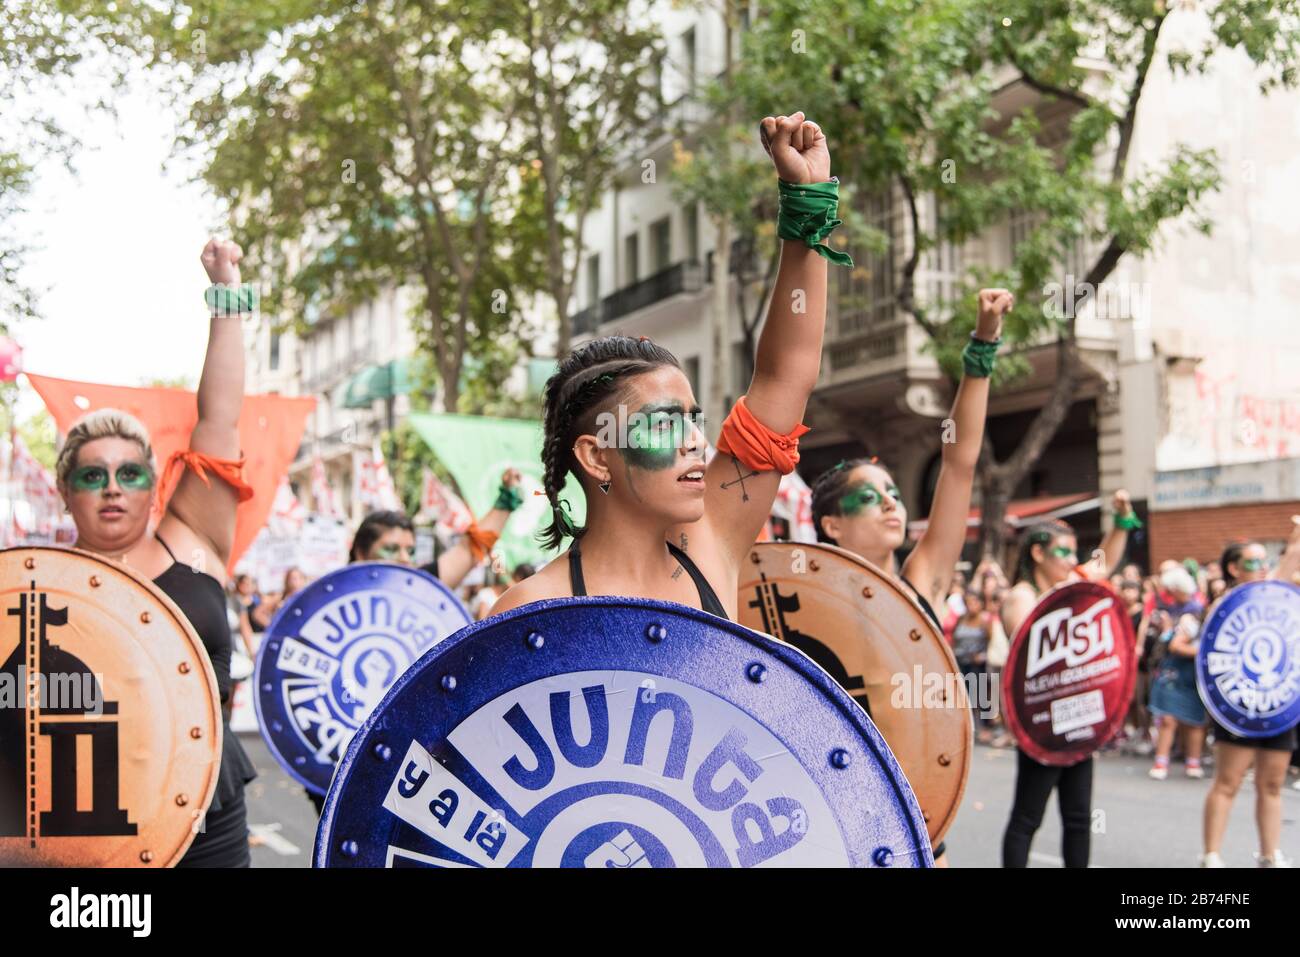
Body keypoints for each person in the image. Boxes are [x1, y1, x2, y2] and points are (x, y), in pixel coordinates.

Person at [491, 110, 848, 624]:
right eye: (664, 423)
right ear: (595, 456)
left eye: (693, 420)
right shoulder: (528, 612)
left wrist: (808, 200)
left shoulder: (711, 543)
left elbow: (786, 374)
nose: (697, 443)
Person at [54, 237, 257, 867]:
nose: (112, 487)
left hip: (207, 813)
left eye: (129, 474)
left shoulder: (190, 540)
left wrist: (226, 295)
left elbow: (219, 419)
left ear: (154, 485)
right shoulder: (40, 587)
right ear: (66, 492)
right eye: (93, 476)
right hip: (91, 813)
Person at [999, 498, 1139, 869]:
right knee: (1028, 817)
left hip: (1079, 720)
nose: (1070, 560)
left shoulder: (1072, 588)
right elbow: (1026, 655)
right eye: (1063, 552)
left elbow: (1103, 562)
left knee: (1078, 818)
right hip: (1042, 725)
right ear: (1038, 552)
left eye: (1074, 552)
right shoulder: (1022, 596)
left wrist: (1121, 523)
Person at [1201, 522, 1300, 868]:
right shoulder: (1225, 605)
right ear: (1233, 569)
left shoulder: (1277, 598)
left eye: (1264, 562)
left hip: (1277, 705)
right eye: (1252, 563)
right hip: (1239, 705)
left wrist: (1296, 539)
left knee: (1272, 783)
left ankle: (1269, 855)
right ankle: (1212, 855)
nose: (1261, 568)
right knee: (1228, 781)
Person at [348, 467, 522, 588]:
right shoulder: (330, 595)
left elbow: (470, 549)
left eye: (410, 551)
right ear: (361, 553)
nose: (404, 559)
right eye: (391, 549)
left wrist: (506, 500)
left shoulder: (420, 587)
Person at [1146, 566, 1206, 779]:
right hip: (1175, 671)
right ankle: (1164, 762)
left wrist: (1204, 652)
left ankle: (1192, 762)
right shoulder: (1176, 609)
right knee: (1168, 718)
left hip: (1187, 672)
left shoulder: (1194, 611)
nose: (1167, 595)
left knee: (1192, 719)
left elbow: (1176, 645)